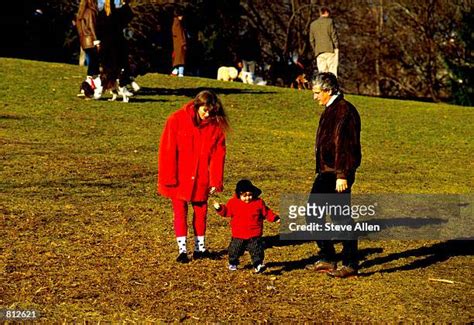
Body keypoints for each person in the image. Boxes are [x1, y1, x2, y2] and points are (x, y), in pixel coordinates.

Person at [158, 90, 229, 263]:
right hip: (179, 177)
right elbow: (167, 150)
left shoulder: (216, 127)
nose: (208, 114)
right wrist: (168, 177)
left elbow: (218, 155)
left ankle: (200, 248)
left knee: (201, 211)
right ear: (197, 106)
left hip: (201, 178)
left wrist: (215, 180)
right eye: (205, 110)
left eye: (211, 111)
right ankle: (182, 250)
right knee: (180, 212)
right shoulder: (176, 120)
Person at [310, 72, 361, 278]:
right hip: (327, 171)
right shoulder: (332, 109)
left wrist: (342, 175)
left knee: (341, 217)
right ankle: (328, 256)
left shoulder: (344, 111)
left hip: (337, 173)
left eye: (317, 93)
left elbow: (346, 145)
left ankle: (349, 263)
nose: (315, 97)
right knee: (314, 212)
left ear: (328, 91)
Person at [213, 180, 280, 273]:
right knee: (234, 250)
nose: (248, 198)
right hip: (238, 233)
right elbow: (227, 212)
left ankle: (258, 264)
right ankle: (233, 262)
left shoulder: (259, 203)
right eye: (244, 196)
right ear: (239, 195)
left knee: (257, 250)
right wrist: (219, 208)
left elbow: (266, 212)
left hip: (254, 233)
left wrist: (275, 218)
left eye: (250, 195)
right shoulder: (233, 203)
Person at [76, 0, 102, 99]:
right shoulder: (90, 12)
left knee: (93, 64)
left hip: (84, 42)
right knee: (94, 66)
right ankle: (87, 86)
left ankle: (85, 88)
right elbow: (92, 26)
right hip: (91, 41)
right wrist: (96, 40)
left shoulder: (80, 13)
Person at [309, 7, 339, 77]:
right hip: (330, 50)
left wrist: (315, 49)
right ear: (326, 12)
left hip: (319, 51)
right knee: (332, 71)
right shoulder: (330, 22)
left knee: (322, 72)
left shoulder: (313, 24)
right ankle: (332, 87)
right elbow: (333, 35)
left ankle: (323, 87)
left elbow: (311, 40)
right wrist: (336, 47)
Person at [170, 8, 187, 77]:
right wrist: (183, 43)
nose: (182, 17)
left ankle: (175, 72)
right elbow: (180, 34)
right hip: (180, 44)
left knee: (178, 59)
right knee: (181, 59)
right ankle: (180, 73)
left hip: (177, 44)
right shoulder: (178, 23)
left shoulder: (175, 22)